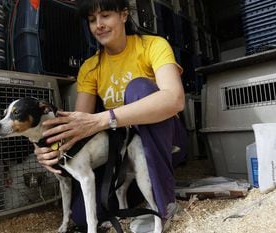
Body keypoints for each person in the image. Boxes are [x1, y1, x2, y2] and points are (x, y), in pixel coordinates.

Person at [34, 0, 188, 231]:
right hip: (123, 149)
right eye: (92, 20)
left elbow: (174, 99)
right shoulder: (90, 67)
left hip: (165, 141)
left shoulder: (152, 45)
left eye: (105, 15)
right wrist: (45, 147)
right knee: (84, 217)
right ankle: (141, 189)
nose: (99, 25)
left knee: (140, 88)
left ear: (124, 15)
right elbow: (79, 126)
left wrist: (103, 119)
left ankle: (165, 205)